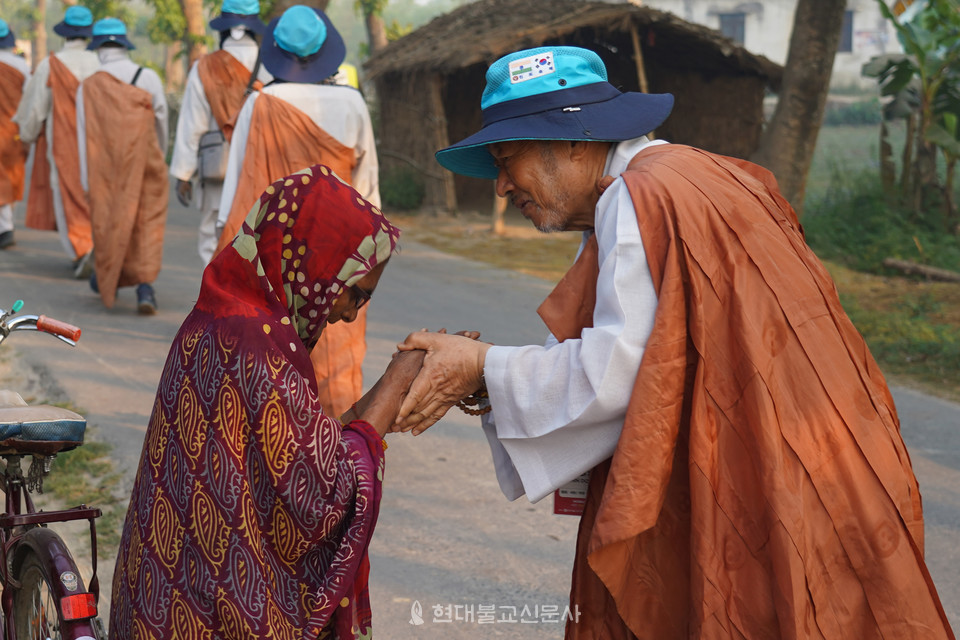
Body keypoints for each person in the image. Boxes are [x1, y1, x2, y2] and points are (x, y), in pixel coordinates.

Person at [392, 46, 955, 639]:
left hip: (761, 464)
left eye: (510, 160)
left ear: (576, 142)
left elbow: (616, 376)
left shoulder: (638, 199)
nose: (502, 185)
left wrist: (484, 367)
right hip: (826, 450)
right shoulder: (707, 174)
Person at [110, 164, 418, 639]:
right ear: (314, 262)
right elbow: (323, 492)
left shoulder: (218, 314)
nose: (350, 313)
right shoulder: (259, 346)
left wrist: (401, 384)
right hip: (214, 610)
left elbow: (308, 446)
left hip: (162, 595)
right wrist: (400, 378)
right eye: (353, 293)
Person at [217, 4, 380, 417]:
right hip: (337, 256)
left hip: (272, 256)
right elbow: (368, 193)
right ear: (326, 50)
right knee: (336, 352)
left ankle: (269, 440)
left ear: (276, 50)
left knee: (263, 352)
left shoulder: (261, 102)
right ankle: (336, 446)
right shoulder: (352, 103)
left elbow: (238, 186)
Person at [76, 18, 169, 314]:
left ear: (99, 48)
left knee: (108, 224)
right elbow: (162, 122)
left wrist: (85, 178)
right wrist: (159, 155)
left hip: (104, 168)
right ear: (124, 44)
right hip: (146, 161)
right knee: (145, 221)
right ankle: (145, 288)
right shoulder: (149, 77)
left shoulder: (88, 86)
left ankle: (107, 278)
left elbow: (83, 135)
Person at [168, 0, 270, 265]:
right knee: (260, 240)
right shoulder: (272, 66)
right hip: (260, 167)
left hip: (218, 168)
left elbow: (193, 125)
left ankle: (218, 302)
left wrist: (184, 174)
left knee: (213, 239)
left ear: (222, 28)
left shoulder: (204, 67)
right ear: (255, 26)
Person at [13, 6, 99, 271]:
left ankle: (81, 250)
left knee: (67, 197)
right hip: (98, 144)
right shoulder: (100, 64)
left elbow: (35, 108)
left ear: (64, 33)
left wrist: (26, 135)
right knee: (96, 197)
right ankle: (97, 247)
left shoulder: (51, 65)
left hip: (63, 142)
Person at [0, 19, 29, 250]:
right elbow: (30, 100)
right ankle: (6, 226)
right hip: (14, 132)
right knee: (9, 177)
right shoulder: (21, 66)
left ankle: (6, 227)